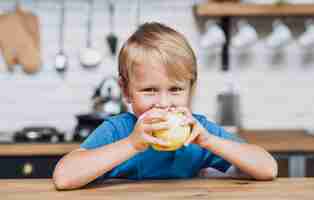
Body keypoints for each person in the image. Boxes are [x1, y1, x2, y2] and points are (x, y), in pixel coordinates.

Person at [53, 22, 278, 190]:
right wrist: (132, 144)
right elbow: (64, 177)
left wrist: (209, 141)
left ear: (191, 89)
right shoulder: (118, 131)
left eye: (175, 90)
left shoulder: (198, 131)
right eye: (149, 90)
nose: (163, 103)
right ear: (126, 91)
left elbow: (268, 168)